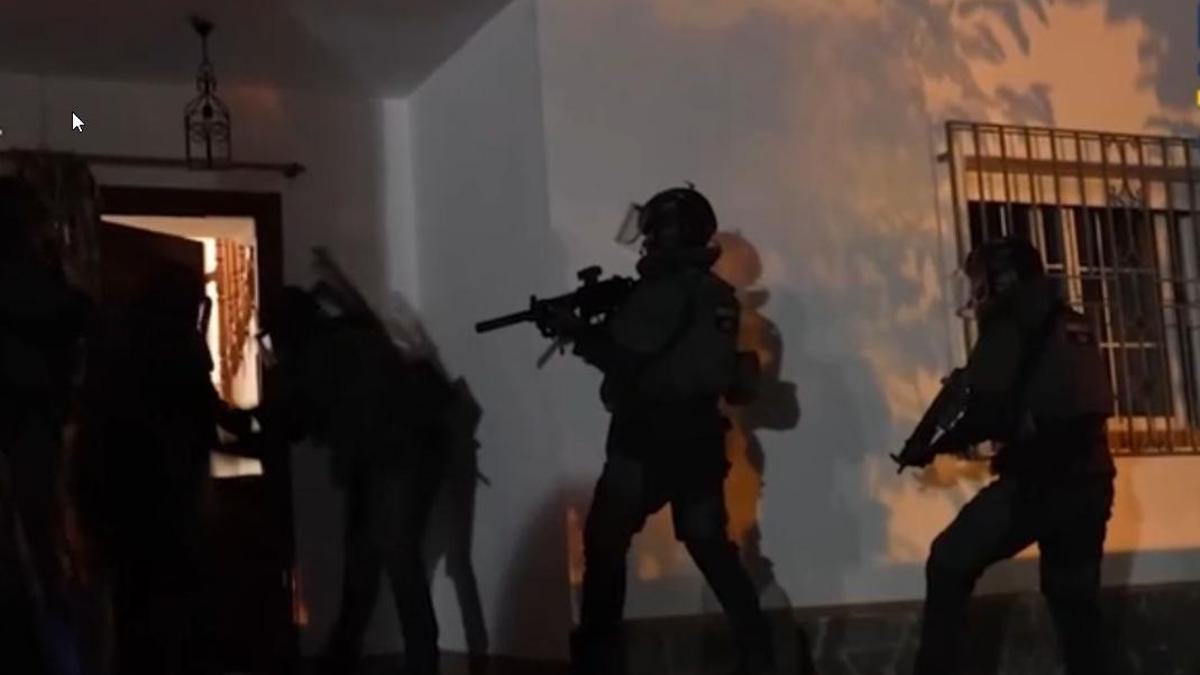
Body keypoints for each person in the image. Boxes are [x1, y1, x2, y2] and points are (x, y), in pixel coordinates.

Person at [561, 186, 773, 675]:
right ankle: (759, 655)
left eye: (653, 231)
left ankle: (599, 662)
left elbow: (624, 352)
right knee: (712, 549)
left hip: (646, 443)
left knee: (605, 545)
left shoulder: (664, 290)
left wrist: (578, 332)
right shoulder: (715, 294)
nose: (647, 241)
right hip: (698, 442)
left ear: (668, 233)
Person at [894, 236, 1115, 675]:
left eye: (981, 279)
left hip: (1038, 484)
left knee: (948, 561)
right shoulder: (1072, 322)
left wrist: (931, 446)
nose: (978, 291)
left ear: (1002, 277)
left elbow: (984, 408)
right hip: (1092, 481)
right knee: (1074, 604)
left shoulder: (1012, 322)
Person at [255, 283, 453, 675]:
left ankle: (404, 661)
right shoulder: (343, 340)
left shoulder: (324, 353)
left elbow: (295, 421)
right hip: (388, 459)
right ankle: (358, 656)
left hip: (389, 460)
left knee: (393, 561)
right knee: (376, 562)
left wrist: (248, 416)